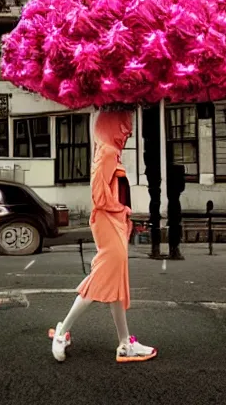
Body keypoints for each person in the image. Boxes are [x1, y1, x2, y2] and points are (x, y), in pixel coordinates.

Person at [50, 110, 158, 363]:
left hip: (113, 223)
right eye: (124, 127)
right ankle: (62, 332)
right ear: (111, 126)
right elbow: (99, 197)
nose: (128, 132)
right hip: (109, 224)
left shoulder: (109, 151)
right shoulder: (108, 152)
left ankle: (125, 343)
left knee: (115, 283)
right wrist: (122, 210)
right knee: (101, 280)